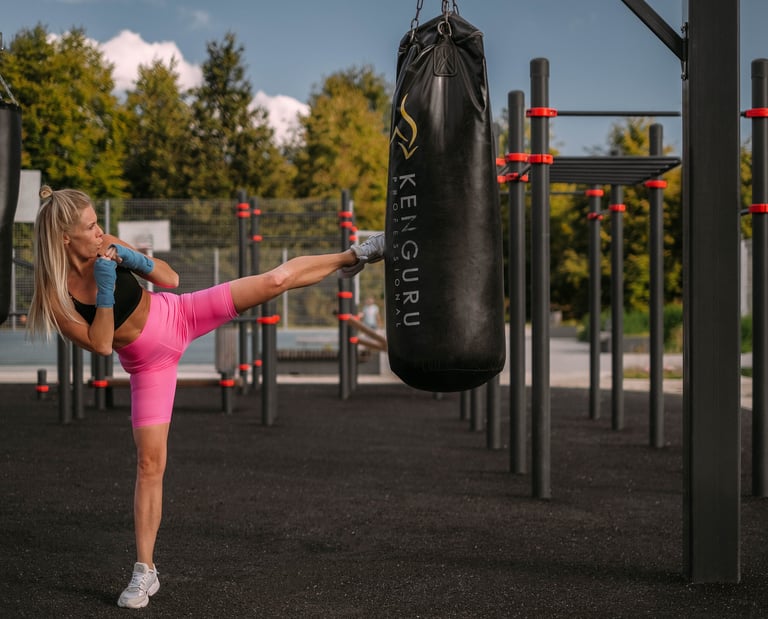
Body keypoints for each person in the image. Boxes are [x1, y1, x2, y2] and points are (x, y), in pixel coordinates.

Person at [26, 186, 385, 609]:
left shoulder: (108, 245)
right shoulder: (55, 294)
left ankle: (356, 255)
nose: (99, 230)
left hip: (180, 312)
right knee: (149, 464)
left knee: (275, 279)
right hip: (148, 366)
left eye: (97, 222)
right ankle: (145, 571)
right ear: (65, 239)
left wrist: (137, 260)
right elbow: (102, 344)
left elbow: (170, 279)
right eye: (90, 226)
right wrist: (106, 290)